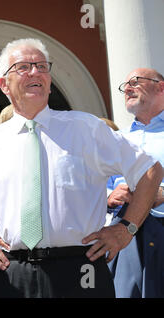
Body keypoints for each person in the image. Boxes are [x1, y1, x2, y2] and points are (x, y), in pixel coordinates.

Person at [0, 38, 163, 298]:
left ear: (50, 81)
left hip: (82, 270)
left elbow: (149, 171)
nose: (35, 72)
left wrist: (126, 229)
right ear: (4, 84)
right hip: (11, 273)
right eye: (23, 67)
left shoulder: (86, 128)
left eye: (42, 66)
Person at [107, 68, 164, 298]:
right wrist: (110, 196)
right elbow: (101, 186)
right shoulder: (118, 140)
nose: (127, 88)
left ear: (160, 87)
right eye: (124, 86)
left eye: (135, 82)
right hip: (125, 233)